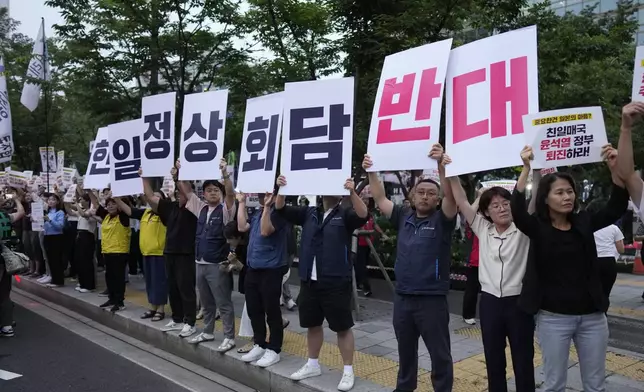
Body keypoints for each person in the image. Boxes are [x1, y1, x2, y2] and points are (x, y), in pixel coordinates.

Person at [512, 145, 628, 392]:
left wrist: (614, 168)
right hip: (553, 319)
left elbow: (616, 207)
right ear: (545, 198)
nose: (567, 197)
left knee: (595, 384)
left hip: (593, 318)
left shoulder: (584, 221)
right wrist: (526, 168)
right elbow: (518, 211)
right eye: (559, 192)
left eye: (570, 191)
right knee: (554, 385)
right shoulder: (537, 227)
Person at [362, 143, 457, 392]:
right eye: (421, 192)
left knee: (440, 354)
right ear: (412, 197)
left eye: (430, 193)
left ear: (437, 200)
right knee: (405, 352)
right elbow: (380, 197)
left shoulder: (443, 220)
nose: (425, 196)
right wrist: (372, 171)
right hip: (403, 298)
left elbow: (451, 197)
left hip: (432, 300)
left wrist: (441, 166)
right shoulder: (403, 217)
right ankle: (404, 388)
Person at [447, 159, 535, 392]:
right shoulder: (482, 228)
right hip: (490, 303)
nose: (502, 208)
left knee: (523, 359)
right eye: (495, 205)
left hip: (519, 303)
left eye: (505, 203)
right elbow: (462, 201)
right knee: (493, 359)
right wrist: (451, 170)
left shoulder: (525, 229)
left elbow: (535, 199)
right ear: (486, 211)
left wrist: (528, 168)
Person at [276, 175, 368, 392]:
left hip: (336, 280)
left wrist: (352, 192)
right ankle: (313, 363)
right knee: (312, 324)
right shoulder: (309, 212)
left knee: (342, 327)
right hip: (310, 280)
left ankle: (347, 370)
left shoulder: (344, 213)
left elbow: (363, 215)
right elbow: (280, 209)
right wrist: (282, 188)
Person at [176, 158, 237, 351]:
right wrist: (180, 171)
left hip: (217, 264)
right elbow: (185, 190)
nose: (212, 193)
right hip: (199, 263)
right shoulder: (200, 207)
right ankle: (208, 331)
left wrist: (225, 173)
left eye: (216, 190)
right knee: (207, 303)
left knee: (223, 302)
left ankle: (229, 337)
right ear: (204, 193)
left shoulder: (226, 210)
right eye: (209, 190)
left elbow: (231, 193)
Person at [144, 165, 199, 339]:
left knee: (186, 288)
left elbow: (188, 191)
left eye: (181, 191)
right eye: (177, 192)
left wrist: (178, 176)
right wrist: (143, 178)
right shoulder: (171, 207)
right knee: (173, 287)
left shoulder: (194, 207)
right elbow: (151, 197)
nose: (179, 193)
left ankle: (190, 322)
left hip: (186, 254)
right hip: (169, 252)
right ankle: (177, 318)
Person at [237, 191, 288, 367]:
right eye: (259, 194)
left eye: (265, 194)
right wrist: (242, 203)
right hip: (253, 268)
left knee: (271, 311)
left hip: (271, 269)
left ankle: (274, 349)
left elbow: (266, 231)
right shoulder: (258, 212)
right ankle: (259, 343)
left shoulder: (280, 213)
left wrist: (267, 206)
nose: (261, 196)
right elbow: (242, 227)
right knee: (254, 309)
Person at [114, 188, 168, 322]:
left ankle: (160, 309)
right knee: (149, 282)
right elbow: (129, 211)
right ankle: (152, 307)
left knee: (159, 282)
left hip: (159, 253)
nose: (152, 199)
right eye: (152, 197)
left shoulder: (164, 214)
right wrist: (116, 199)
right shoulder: (145, 213)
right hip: (146, 252)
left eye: (156, 197)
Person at [89, 190, 131, 313]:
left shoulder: (123, 217)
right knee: (110, 277)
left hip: (119, 252)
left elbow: (125, 207)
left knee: (118, 278)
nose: (110, 206)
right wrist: (89, 191)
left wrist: (116, 196)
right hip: (107, 251)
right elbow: (96, 204)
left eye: (113, 203)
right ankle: (112, 299)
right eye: (108, 204)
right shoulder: (106, 216)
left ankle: (120, 302)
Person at [0, 190, 25, 337]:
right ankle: (7, 324)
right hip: (5, 258)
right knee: (4, 292)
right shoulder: (5, 216)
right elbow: (21, 213)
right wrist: (16, 200)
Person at [354, 195, 387, 297]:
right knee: (360, 266)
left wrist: (382, 234)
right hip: (357, 243)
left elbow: (375, 224)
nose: (366, 201)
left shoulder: (370, 213)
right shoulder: (355, 212)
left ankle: (358, 283)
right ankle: (365, 287)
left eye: (367, 199)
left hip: (368, 244)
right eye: (363, 198)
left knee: (362, 265)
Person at [64, 193, 98, 292]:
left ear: (87, 201)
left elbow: (84, 215)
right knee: (79, 260)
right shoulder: (82, 210)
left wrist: (76, 204)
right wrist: (66, 202)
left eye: (82, 199)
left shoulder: (92, 211)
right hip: (79, 235)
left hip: (87, 236)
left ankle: (89, 285)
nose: (80, 201)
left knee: (87, 261)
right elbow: (70, 212)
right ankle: (83, 283)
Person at [42, 193, 66, 288]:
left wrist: (50, 220)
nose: (51, 201)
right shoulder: (47, 212)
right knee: (50, 259)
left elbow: (60, 226)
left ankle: (59, 280)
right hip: (47, 236)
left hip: (56, 237)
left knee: (56, 259)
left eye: (53, 200)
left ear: (57, 202)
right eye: (49, 200)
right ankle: (53, 279)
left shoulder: (60, 212)